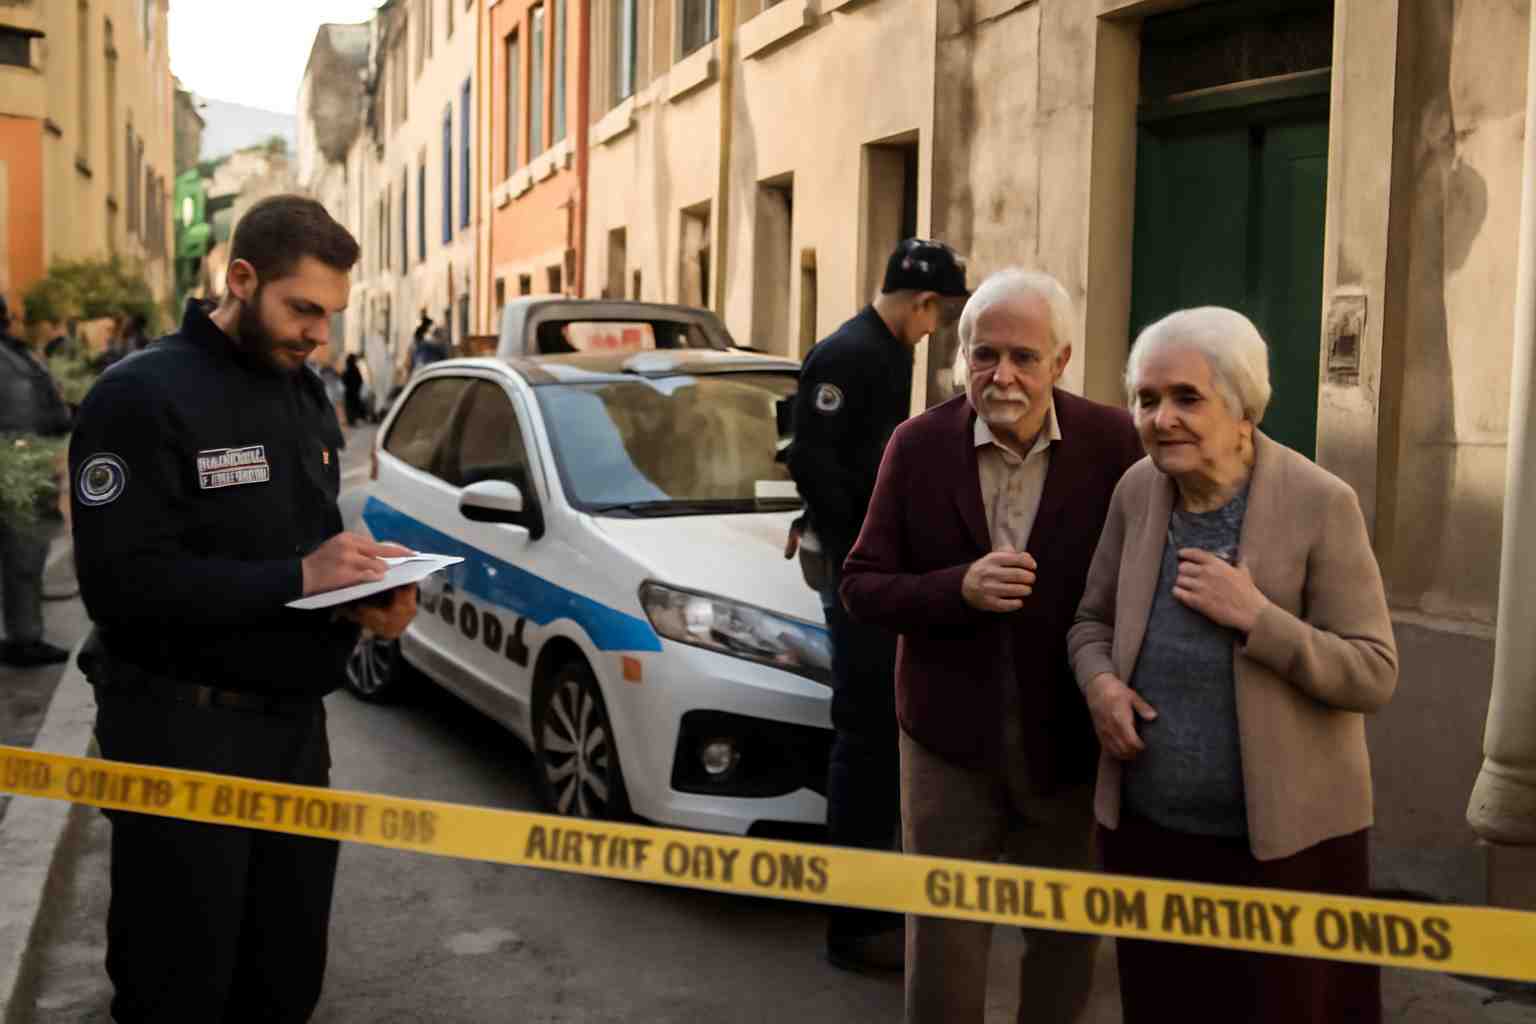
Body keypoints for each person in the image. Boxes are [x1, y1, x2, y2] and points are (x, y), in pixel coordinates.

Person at [68, 194, 419, 1023]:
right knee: (179, 988)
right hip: (178, 737)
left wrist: (360, 601)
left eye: (331, 317)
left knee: (284, 980)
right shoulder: (140, 396)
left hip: (294, 732)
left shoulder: (301, 394)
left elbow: (305, 551)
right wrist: (300, 579)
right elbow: (120, 586)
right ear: (240, 278)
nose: (318, 337)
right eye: (303, 310)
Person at [1068, 306, 1397, 1023]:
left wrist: (1259, 619)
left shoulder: (1321, 503)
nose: (1162, 419)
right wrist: (1099, 685)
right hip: (1153, 834)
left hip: (1286, 849)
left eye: (1187, 398)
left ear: (1243, 408)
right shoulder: (1136, 492)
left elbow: (1372, 671)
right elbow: (1090, 622)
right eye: (1147, 400)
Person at [840, 269, 1143, 1023]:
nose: (1001, 375)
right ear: (961, 357)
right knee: (945, 939)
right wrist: (956, 589)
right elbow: (862, 585)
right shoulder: (916, 447)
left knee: (1066, 939)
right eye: (984, 355)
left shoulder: (1114, 446)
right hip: (946, 742)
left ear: (1061, 362)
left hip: (1070, 742)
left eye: (1023, 357)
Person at [786, 238, 970, 974]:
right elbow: (816, 461)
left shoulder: (888, 354)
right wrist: (867, 549)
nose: (936, 330)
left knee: (880, 734)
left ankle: (875, 908)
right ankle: (856, 924)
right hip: (858, 577)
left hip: (875, 572)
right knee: (862, 738)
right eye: (938, 316)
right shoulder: (850, 354)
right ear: (921, 303)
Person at [0, 295, 73, 667]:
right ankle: (23, 638)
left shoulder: (16, 354)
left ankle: (23, 634)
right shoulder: (10, 358)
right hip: (17, 471)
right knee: (23, 557)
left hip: (27, 466)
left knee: (25, 557)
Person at [342, 353, 366, 427]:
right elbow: (360, 380)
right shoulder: (355, 369)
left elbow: (344, 379)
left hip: (350, 392)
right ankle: (352, 420)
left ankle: (351, 420)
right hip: (353, 391)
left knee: (350, 406)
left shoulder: (349, 369)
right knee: (353, 406)